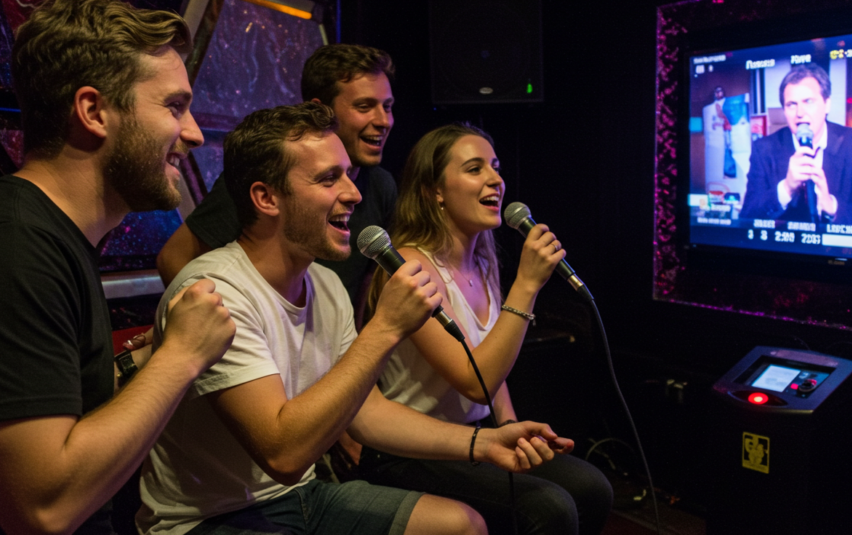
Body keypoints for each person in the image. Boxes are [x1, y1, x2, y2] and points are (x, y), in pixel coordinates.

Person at [138, 103, 575, 535]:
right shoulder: (218, 290)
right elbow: (283, 455)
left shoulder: (325, 285)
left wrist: (482, 444)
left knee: (463, 525)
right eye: (330, 179)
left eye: (348, 174)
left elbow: (366, 413)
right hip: (209, 519)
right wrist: (385, 328)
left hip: (302, 497)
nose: (354, 193)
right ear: (266, 198)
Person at [0, 0, 237, 534]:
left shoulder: (46, 240)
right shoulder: (6, 251)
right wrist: (181, 357)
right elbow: (42, 509)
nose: (193, 133)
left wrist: (140, 371)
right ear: (94, 111)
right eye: (174, 106)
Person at [360, 123, 615, 535]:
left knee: (592, 488)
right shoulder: (410, 269)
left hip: (477, 437)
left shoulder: (483, 259)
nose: (496, 179)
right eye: (476, 169)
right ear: (433, 191)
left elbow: (495, 377)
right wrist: (527, 286)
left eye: (495, 167)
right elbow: (474, 379)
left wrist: (509, 429)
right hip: (415, 449)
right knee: (549, 509)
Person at [156, 44, 397, 314]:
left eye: (387, 107)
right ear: (319, 109)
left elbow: (365, 282)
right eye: (364, 106)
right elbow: (175, 259)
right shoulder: (266, 173)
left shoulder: (381, 185)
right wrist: (219, 326)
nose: (383, 120)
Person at [740, 64, 852, 227]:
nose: (800, 113)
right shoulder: (764, 149)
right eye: (791, 104)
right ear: (784, 110)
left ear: (827, 104)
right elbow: (746, 219)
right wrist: (786, 188)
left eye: (808, 101)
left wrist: (830, 206)